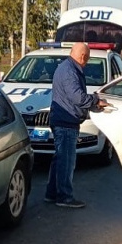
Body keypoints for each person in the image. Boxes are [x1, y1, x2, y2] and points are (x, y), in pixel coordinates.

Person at [45, 42, 108, 208]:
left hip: (63, 118)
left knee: (59, 159)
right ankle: (64, 197)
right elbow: (78, 98)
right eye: (87, 59)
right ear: (83, 56)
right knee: (66, 161)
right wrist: (95, 100)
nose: (86, 62)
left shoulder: (67, 67)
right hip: (66, 121)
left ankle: (52, 193)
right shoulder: (70, 71)